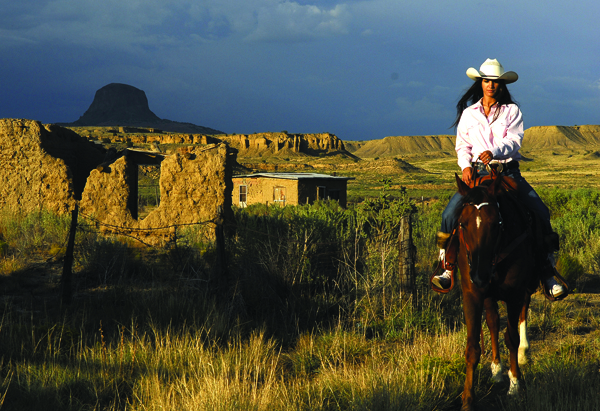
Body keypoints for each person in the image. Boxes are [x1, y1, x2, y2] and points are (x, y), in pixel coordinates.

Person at [431, 58, 565, 298]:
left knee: (540, 212)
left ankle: (547, 272)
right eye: (486, 81)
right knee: (449, 214)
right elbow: (462, 145)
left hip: (506, 173)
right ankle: (447, 268)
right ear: (480, 83)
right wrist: (465, 166)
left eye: (495, 81)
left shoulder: (511, 111)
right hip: (477, 175)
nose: (490, 85)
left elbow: (514, 141)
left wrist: (493, 152)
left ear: (501, 85)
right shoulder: (469, 114)